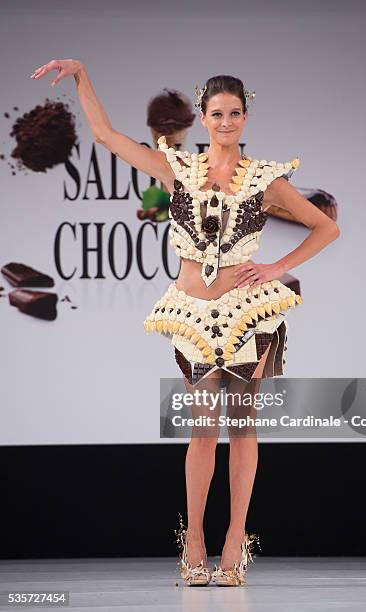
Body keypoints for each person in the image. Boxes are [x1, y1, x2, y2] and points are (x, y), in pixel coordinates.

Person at [30, 60, 340, 587]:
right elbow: (106, 136)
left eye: (234, 113)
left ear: (246, 116)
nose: (225, 122)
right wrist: (83, 76)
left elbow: (325, 227)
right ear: (202, 115)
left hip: (247, 315)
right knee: (203, 431)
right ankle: (194, 538)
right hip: (195, 315)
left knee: (242, 429)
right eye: (216, 113)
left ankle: (234, 541)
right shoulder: (176, 167)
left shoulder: (265, 179)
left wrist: (276, 267)